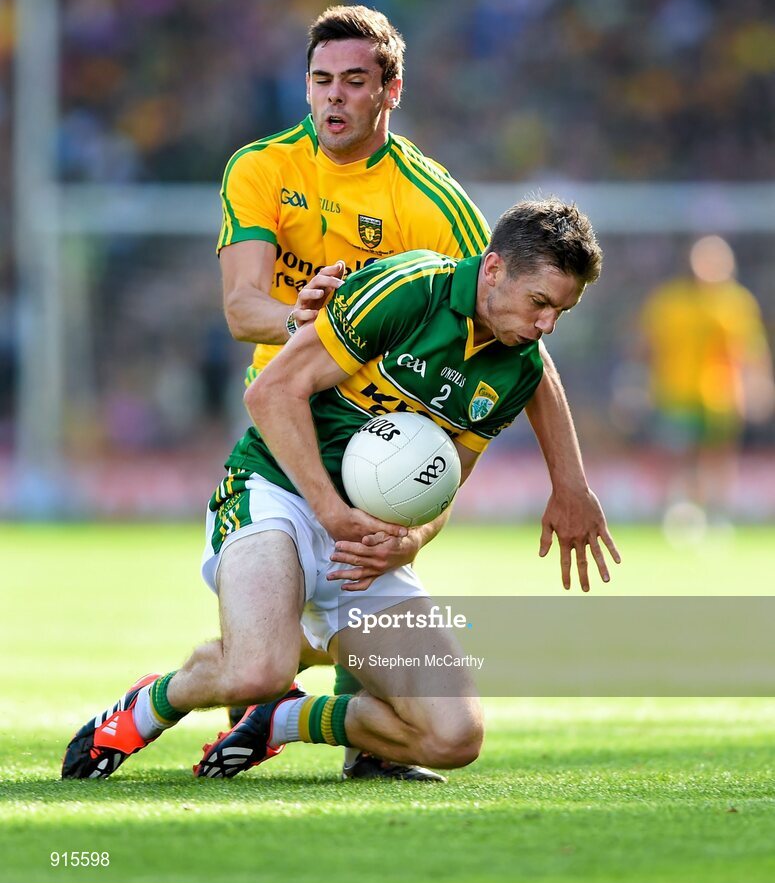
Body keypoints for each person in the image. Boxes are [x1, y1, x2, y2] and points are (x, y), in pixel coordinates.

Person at [62, 197, 620, 783]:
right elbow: (271, 394)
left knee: (454, 736)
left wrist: (411, 540)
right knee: (256, 671)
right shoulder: (408, 290)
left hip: (361, 540)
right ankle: (150, 706)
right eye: (540, 303)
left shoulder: (520, 367)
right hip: (277, 491)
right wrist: (329, 511)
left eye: (562, 311)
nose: (547, 326)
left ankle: (284, 720)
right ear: (495, 268)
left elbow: (443, 482)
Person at [215, 4, 618, 779]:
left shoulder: (433, 203)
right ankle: (256, 688)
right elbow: (242, 310)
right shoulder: (261, 166)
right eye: (320, 81)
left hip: (394, 419)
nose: (333, 98)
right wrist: (301, 316)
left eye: (354, 82)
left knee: (381, 534)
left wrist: (569, 483)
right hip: (293, 403)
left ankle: (361, 738)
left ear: (390, 91)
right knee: (262, 646)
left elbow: (518, 331)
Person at [639, 235, 774, 534]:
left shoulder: (735, 304)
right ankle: (675, 513)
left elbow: (750, 351)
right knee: (677, 456)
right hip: (675, 392)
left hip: (719, 395)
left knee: (716, 457)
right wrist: (641, 382)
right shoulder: (670, 301)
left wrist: (759, 386)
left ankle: (716, 516)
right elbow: (648, 346)